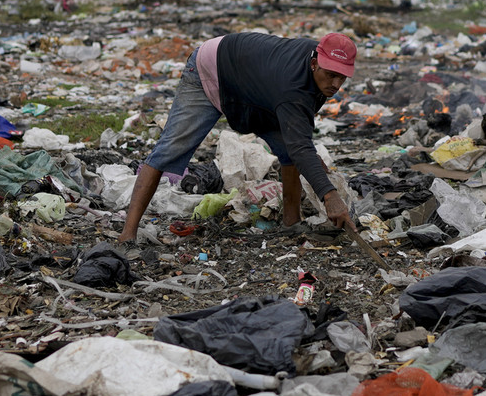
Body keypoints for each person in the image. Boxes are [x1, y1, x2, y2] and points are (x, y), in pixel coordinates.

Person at [118, 32, 357, 242]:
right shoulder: (293, 87)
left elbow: (299, 136)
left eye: (341, 77)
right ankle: (128, 235)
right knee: (170, 149)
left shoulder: (322, 69)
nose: (335, 84)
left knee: (289, 151)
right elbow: (301, 145)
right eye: (330, 75)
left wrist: (312, 160)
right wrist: (330, 197)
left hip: (255, 89)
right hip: (211, 68)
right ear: (314, 63)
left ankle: (291, 223)